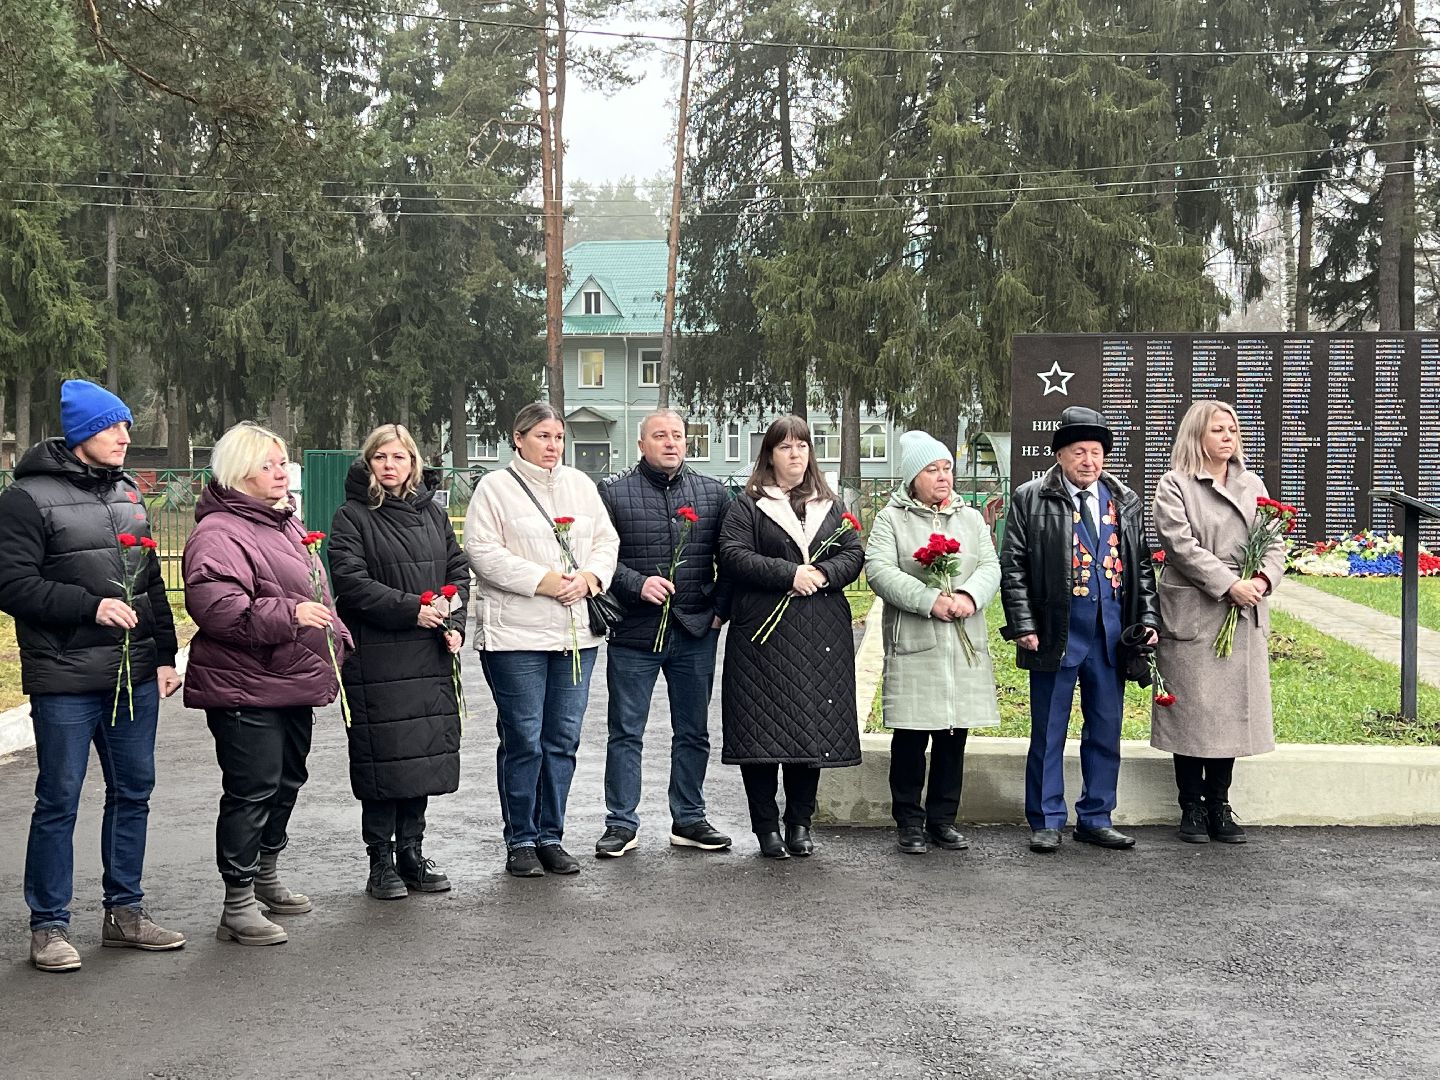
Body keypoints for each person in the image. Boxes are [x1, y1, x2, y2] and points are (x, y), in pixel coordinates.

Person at [0, 380, 185, 972]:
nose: (126, 438)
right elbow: (12, 584)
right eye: (114, 428)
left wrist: (164, 654)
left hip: (131, 675)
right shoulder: (24, 499)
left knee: (133, 794)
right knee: (59, 799)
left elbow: (151, 580)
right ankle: (48, 926)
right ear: (83, 434)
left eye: (127, 427)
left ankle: (124, 913)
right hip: (65, 677)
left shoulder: (129, 491)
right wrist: (90, 606)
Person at [183, 421, 352, 945]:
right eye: (268, 465)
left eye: (283, 464)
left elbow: (314, 589)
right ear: (239, 473)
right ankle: (236, 904)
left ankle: (266, 876)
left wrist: (336, 635)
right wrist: (292, 613)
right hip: (242, 686)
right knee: (251, 790)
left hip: (289, 680)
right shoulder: (219, 533)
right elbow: (218, 609)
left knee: (286, 782)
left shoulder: (283, 523)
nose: (281, 473)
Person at [464, 402, 619, 878]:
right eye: (543, 437)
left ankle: (552, 835)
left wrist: (591, 578)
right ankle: (521, 840)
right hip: (516, 636)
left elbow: (606, 541)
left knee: (562, 740)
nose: (553, 446)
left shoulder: (580, 485)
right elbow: (482, 552)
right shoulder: (495, 488)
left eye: (558, 438)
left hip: (575, 635)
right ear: (518, 438)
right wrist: (547, 581)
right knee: (523, 740)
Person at [1000, 405, 1159, 854]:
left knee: (1106, 729)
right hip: (1057, 631)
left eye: (1095, 452)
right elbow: (1012, 567)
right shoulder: (1030, 497)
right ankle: (1046, 818)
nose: (1088, 461)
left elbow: (1141, 565)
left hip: (1110, 634)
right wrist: (1023, 625)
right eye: (1078, 452)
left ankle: (1096, 816)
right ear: (1059, 456)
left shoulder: (1123, 500)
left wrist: (1146, 619)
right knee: (1048, 731)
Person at [329, 424, 468, 897]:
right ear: (369, 463)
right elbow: (350, 582)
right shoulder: (352, 516)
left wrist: (455, 615)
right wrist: (414, 609)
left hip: (429, 654)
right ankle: (380, 862)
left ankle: (412, 851)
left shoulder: (434, 514)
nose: (391, 466)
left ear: (415, 463)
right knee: (383, 761)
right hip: (378, 659)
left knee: (421, 758)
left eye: (400, 457)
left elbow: (458, 570)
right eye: (381, 457)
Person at [717, 415, 864, 859]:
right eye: (785, 447)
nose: (795, 454)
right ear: (770, 455)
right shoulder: (749, 505)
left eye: (802, 446)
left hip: (820, 633)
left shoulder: (830, 503)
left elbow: (854, 553)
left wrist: (820, 573)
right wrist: (789, 574)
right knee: (759, 736)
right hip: (763, 636)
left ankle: (800, 822)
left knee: (810, 731)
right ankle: (766, 829)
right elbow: (732, 554)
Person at [594, 410, 733, 858]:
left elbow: (732, 559)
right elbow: (597, 559)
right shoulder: (613, 494)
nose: (671, 442)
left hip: (694, 631)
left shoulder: (714, 494)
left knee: (693, 730)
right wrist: (637, 583)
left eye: (678, 435)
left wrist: (717, 610)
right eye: (660, 435)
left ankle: (689, 818)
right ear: (641, 444)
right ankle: (621, 824)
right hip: (634, 634)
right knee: (625, 731)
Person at [1150, 401, 1286, 844]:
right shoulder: (1175, 485)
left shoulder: (1252, 484)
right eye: (1217, 430)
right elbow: (1179, 545)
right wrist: (1228, 583)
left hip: (1243, 609)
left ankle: (1219, 805)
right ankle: (1190, 805)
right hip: (1198, 607)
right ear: (1197, 437)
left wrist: (1262, 580)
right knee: (1193, 711)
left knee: (1229, 713)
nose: (1228, 437)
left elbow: (1275, 540)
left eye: (1232, 429)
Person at [864, 431, 1001, 855]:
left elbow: (990, 565)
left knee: (953, 734)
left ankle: (944, 819)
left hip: (962, 643)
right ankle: (908, 820)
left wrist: (966, 597)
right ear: (912, 478)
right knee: (911, 735)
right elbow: (879, 570)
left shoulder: (971, 518)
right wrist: (929, 600)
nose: (943, 477)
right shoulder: (892, 520)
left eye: (947, 469)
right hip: (918, 640)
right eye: (932, 470)